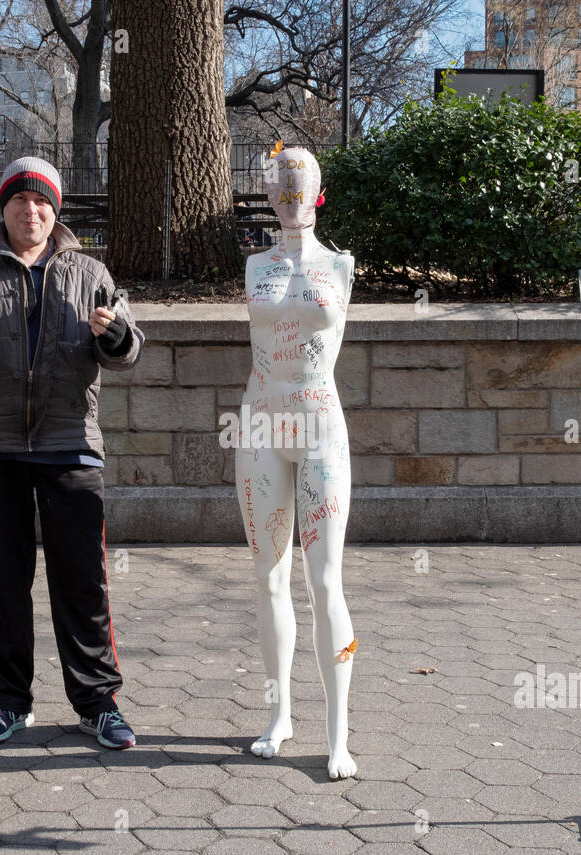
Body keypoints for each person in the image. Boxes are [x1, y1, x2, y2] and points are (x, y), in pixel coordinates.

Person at [0, 156, 144, 749]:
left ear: (55, 210)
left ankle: (97, 703)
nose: (30, 210)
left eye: (41, 202)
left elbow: (130, 344)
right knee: (7, 580)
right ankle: (12, 701)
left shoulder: (91, 271)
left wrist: (113, 335)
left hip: (71, 446)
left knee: (82, 580)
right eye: (19, 200)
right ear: (4, 207)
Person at [237, 145, 357, 778]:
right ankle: (280, 713)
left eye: (299, 186)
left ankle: (338, 735)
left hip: (318, 425)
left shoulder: (341, 264)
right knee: (268, 576)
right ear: (268, 194)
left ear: (319, 193)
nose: (289, 197)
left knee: (325, 581)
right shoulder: (255, 264)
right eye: (279, 188)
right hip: (261, 423)